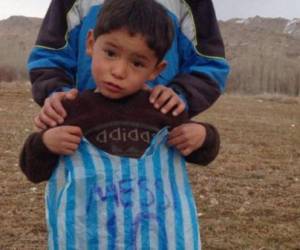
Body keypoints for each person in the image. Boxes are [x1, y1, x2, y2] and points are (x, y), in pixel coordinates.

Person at [20, 0, 220, 248]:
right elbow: (33, 169)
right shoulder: (72, 111)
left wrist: (203, 134)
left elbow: (202, 151)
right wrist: (46, 142)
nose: (118, 71)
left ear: (156, 70)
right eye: (111, 53)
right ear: (91, 44)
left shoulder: (163, 110)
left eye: (137, 63)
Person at [28, 0, 230, 131]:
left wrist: (179, 96)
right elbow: (50, 56)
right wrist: (58, 96)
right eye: (111, 53)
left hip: (154, 134)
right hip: (82, 129)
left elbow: (209, 64)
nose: (119, 72)